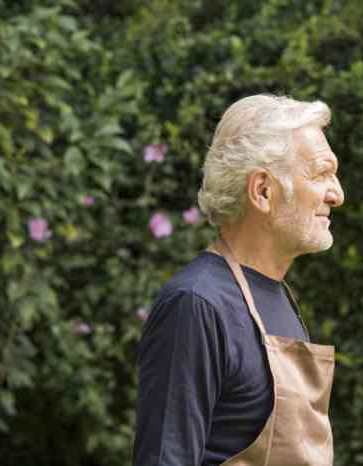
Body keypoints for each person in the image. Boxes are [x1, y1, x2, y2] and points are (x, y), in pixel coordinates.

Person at [133, 94, 345, 466]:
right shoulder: (196, 304)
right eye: (321, 174)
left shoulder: (278, 297)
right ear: (262, 190)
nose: (337, 194)